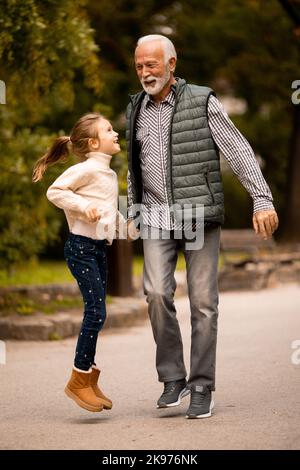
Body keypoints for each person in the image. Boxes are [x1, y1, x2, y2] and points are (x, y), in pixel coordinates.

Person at [126, 34, 279, 419]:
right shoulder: (135, 109)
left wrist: (261, 198)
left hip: (197, 213)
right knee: (157, 294)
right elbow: (133, 167)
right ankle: (173, 378)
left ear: (172, 64)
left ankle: (201, 386)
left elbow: (237, 147)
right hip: (157, 216)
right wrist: (132, 210)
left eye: (152, 65)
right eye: (140, 65)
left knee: (203, 304)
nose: (145, 73)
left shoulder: (202, 100)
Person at [32, 112, 127, 413]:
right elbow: (55, 191)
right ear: (93, 142)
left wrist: (132, 228)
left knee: (99, 312)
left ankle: (89, 377)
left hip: (98, 248)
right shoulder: (86, 169)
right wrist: (84, 206)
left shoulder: (108, 174)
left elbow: (110, 214)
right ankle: (78, 379)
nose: (115, 134)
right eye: (109, 130)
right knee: (96, 311)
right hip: (81, 248)